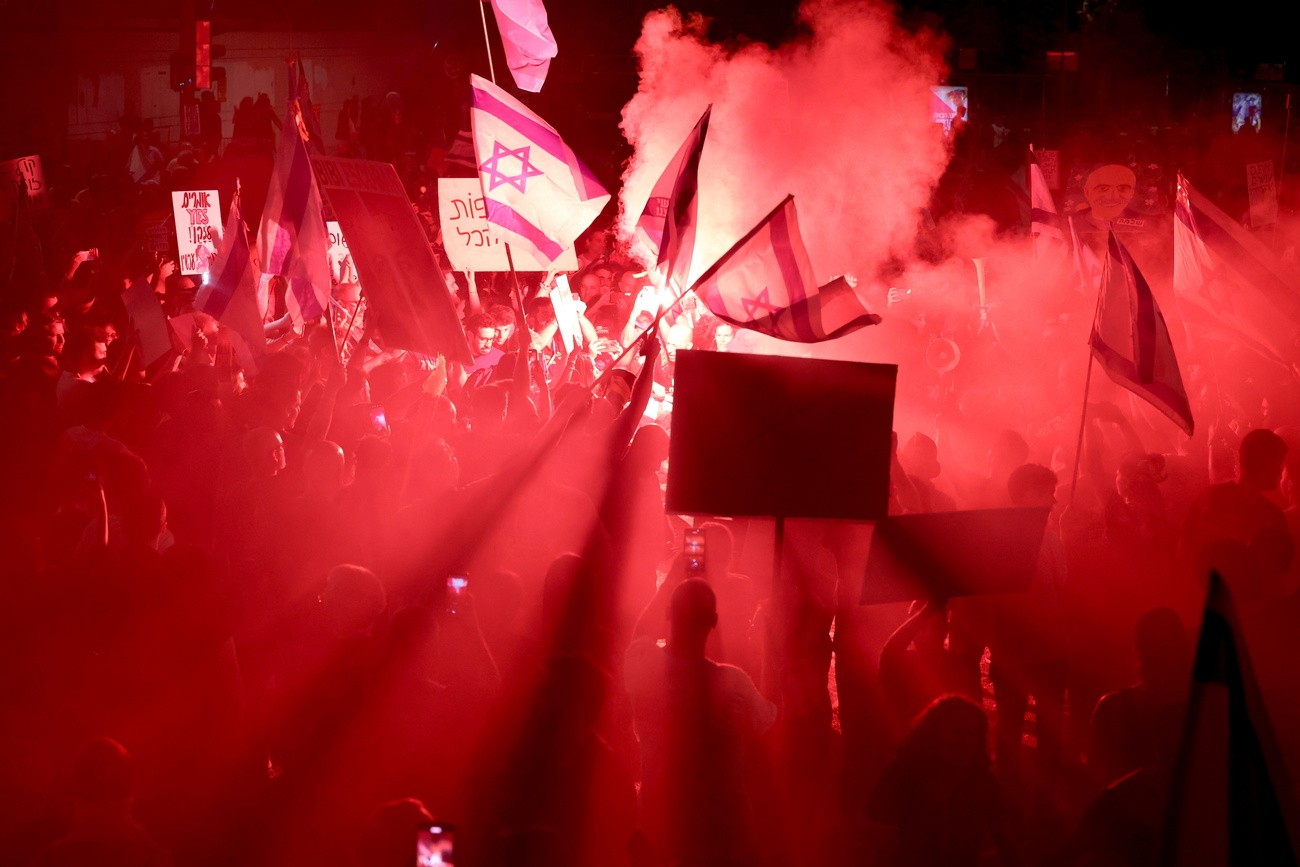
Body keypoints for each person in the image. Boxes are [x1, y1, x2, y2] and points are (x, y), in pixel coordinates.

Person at [624, 579, 777, 867]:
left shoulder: (644, 669)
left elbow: (639, 635)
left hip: (659, 835)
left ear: (668, 613)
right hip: (723, 840)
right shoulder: (731, 684)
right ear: (714, 621)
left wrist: (672, 576)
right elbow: (767, 723)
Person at [867, 696, 1020, 867]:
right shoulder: (903, 774)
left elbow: (1005, 838)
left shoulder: (981, 779)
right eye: (957, 733)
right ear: (934, 735)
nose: (966, 742)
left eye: (972, 734)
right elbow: (876, 830)